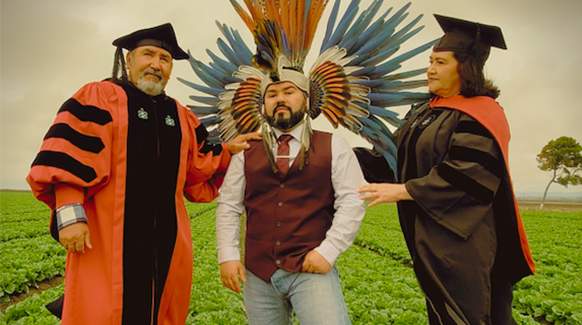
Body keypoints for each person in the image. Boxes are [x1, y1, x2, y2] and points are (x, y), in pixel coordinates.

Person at [26, 23, 260, 325]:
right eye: (147, 54)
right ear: (129, 61)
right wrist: (70, 216)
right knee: (101, 312)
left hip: (168, 242)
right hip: (106, 240)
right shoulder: (99, 97)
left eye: (164, 59)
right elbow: (69, 156)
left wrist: (229, 150)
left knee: (160, 312)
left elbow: (197, 167)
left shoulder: (180, 115)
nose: (155, 64)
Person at [358, 15, 535, 324]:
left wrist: (404, 190)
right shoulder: (423, 113)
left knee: (471, 315)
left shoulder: (481, 113)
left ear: (464, 67)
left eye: (440, 62)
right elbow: (390, 159)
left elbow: (469, 176)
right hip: (429, 238)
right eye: (431, 61)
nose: (430, 69)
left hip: (464, 244)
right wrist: (334, 155)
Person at [215, 74, 366, 324]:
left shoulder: (334, 145)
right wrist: (228, 255)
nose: (280, 99)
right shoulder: (245, 151)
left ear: (305, 101)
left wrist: (328, 252)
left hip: (310, 266)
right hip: (259, 273)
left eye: (289, 92)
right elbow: (229, 205)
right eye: (272, 95)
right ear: (263, 106)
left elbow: (352, 201)